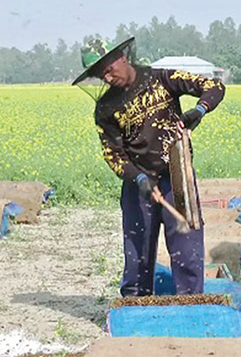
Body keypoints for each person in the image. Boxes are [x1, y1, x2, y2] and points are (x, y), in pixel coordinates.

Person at [72, 37, 225, 297]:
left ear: (122, 57)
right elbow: (113, 154)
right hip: (138, 187)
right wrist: (138, 178)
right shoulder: (105, 108)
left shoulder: (161, 78)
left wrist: (198, 111)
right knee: (137, 255)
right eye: (101, 75)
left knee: (187, 251)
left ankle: (191, 307)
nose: (107, 78)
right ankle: (135, 309)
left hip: (176, 177)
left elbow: (213, 86)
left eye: (108, 70)